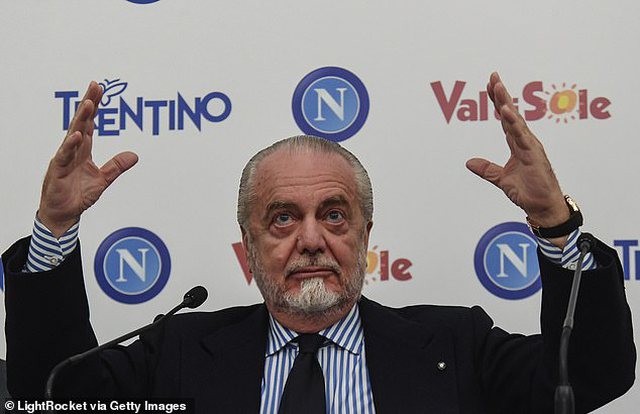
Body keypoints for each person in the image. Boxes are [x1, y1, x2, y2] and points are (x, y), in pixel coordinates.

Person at [2, 73, 635, 413]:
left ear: (365, 235)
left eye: (334, 215)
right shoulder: (179, 351)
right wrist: (55, 230)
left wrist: (554, 222)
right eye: (282, 219)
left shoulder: (456, 345)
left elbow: (591, 377)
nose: (311, 239)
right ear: (248, 245)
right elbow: (55, 397)